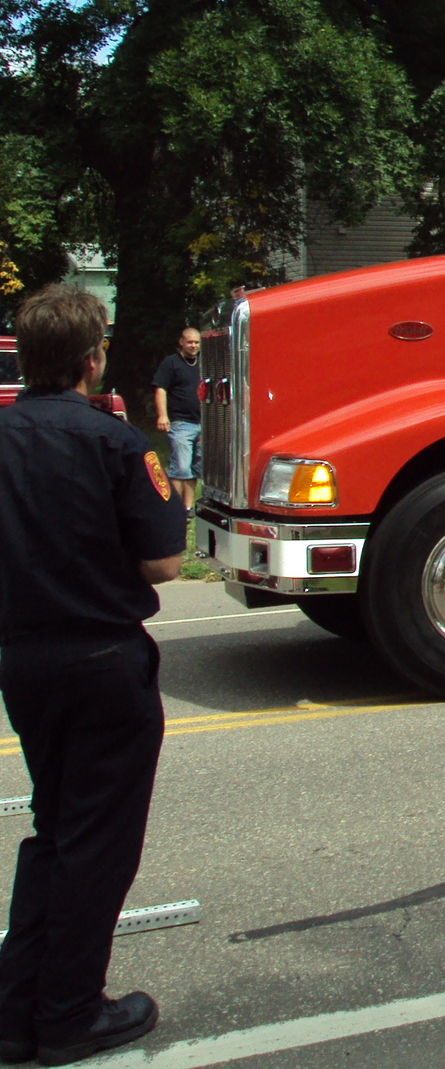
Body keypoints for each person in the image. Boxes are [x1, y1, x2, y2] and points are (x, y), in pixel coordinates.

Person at [0, 285, 177, 1063]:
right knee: (97, 844)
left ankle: (16, 1009)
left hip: (23, 660)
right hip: (103, 659)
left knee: (53, 829)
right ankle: (70, 1011)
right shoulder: (115, 442)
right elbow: (165, 561)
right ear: (91, 359)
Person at [149, 328, 201, 512]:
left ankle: (187, 508)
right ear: (181, 342)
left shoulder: (203, 363)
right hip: (181, 423)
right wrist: (163, 415)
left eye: (196, 342)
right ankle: (174, 509)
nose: (193, 345)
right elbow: (160, 389)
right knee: (180, 468)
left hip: (202, 424)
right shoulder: (171, 363)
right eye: (189, 342)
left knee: (195, 469)